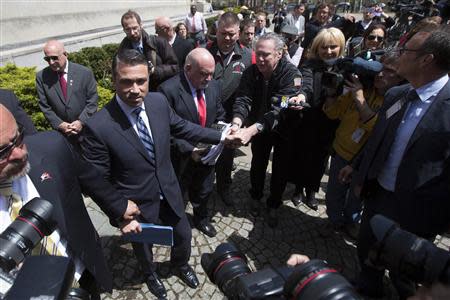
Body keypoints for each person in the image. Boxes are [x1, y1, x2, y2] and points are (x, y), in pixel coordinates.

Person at [80, 49, 239, 299]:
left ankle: (180, 265)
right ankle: (150, 274)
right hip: (137, 205)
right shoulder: (98, 127)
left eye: (141, 81)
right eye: (126, 82)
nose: (135, 89)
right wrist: (120, 213)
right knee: (144, 248)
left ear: (148, 77)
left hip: (170, 190)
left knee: (183, 235)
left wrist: (222, 136)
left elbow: (183, 127)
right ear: (113, 80)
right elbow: (97, 181)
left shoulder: (158, 102)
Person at [349, 29, 450, 299]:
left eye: (405, 50)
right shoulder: (397, 95)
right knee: (367, 250)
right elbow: (377, 141)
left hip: (418, 212)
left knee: (404, 272)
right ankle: (367, 286)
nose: (398, 54)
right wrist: (359, 173)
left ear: (426, 60)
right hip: (378, 196)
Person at [0, 104, 138, 299]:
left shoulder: (51, 145)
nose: (20, 154)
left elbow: (89, 177)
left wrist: (119, 207)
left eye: (18, 138)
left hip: (83, 272)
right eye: (2, 152)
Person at [322, 52, 405, 237]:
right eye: (381, 68)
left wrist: (359, 99)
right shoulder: (361, 88)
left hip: (366, 161)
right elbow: (333, 113)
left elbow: (378, 130)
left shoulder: (397, 101)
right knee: (334, 194)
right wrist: (331, 93)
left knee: (356, 197)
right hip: (341, 153)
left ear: (401, 78)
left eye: (390, 71)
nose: (381, 74)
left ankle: (351, 223)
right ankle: (334, 221)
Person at [231, 33, 303, 227]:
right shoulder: (251, 72)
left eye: (266, 55)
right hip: (258, 130)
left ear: (279, 54)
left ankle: (274, 204)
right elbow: (243, 98)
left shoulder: (292, 75)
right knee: (258, 163)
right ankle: (255, 196)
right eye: (258, 54)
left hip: (284, 129)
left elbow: (280, 109)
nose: (260, 59)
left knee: (280, 169)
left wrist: (252, 130)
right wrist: (237, 123)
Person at [158, 48, 225, 238]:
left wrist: (223, 132)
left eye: (212, 73)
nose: (209, 79)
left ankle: (201, 219)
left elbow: (218, 113)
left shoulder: (213, 86)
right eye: (204, 74)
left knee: (204, 190)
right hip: (180, 157)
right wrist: (189, 149)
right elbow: (164, 131)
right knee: (177, 194)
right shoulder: (168, 90)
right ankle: (176, 225)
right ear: (188, 69)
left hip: (208, 153)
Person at [291, 28, 346, 211]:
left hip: (331, 123)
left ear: (340, 47)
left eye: (333, 47)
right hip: (308, 119)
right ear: (317, 48)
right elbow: (304, 85)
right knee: (302, 155)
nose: (328, 51)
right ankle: (298, 188)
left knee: (321, 159)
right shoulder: (309, 65)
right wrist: (302, 96)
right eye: (324, 47)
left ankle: (312, 190)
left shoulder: (344, 67)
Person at [206, 12, 253, 205]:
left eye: (232, 34)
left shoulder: (249, 57)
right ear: (216, 32)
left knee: (226, 157)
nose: (227, 38)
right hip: (206, 117)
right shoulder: (204, 52)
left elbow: (250, 91)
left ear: (238, 33)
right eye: (223, 33)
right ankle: (203, 190)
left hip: (232, 118)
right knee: (206, 155)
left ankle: (224, 188)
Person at [36, 40, 97, 140]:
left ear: (65, 54)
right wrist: (60, 124)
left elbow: (92, 101)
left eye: (54, 58)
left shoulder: (84, 73)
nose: (51, 62)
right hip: (63, 135)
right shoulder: (42, 77)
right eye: (47, 59)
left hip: (87, 131)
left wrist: (80, 122)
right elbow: (44, 106)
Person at [118, 10, 179, 91]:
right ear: (124, 30)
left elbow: (175, 67)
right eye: (128, 29)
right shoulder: (122, 51)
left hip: (161, 92)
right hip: (137, 94)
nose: (132, 32)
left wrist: (155, 71)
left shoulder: (159, 42)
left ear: (141, 25)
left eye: (135, 28)